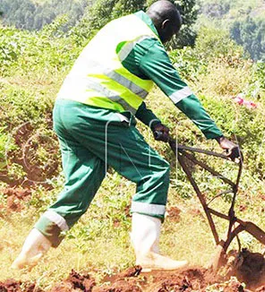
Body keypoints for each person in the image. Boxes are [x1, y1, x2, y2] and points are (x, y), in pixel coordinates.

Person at [11, 0, 239, 272]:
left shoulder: (121, 26)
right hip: (96, 115)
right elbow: (181, 95)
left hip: (67, 110)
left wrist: (152, 121)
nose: (169, 41)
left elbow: (113, 83)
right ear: (165, 26)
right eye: (172, 35)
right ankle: (148, 254)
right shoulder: (148, 45)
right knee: (153, 172)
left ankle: (28, 255)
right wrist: (218, 136)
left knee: (80, 188)